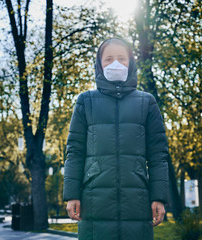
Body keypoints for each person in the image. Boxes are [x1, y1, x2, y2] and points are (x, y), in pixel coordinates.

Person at [63, 38, 169, 240]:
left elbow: (158, 155)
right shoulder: (85, 101)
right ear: (99, 64)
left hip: (137, 199)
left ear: (131, 63)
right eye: (109, 59)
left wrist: (159, 197)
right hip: (94, 199)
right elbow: (74, 151)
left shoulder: (147, 102)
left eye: (122, 58)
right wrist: (72, 195)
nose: (116, 64)